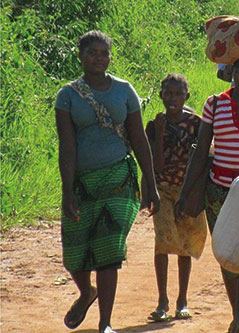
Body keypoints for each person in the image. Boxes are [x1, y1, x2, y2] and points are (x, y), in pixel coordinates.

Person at [55, 30, 160, 333]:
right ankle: (87, 291)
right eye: (92, 52)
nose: (99, 58)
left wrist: (150, 185)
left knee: (108, 251)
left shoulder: (124, 90)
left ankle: (105, 323)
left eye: (104, 53)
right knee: (74, 256)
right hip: (82, 182)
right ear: (81, 56)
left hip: (119, 178)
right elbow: (67, 147)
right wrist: (67, 191)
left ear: (110, 57)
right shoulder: (68, 95)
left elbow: (140, 140)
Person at [175, 56, 239, 333]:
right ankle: (238, 316)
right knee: (227, 253)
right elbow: (201, 151)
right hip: (217, 190)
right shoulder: (215, 104)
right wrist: (185, 192)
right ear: (232, 72)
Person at [142, 74, 207, 322]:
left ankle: (182, 300)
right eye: (167, 93)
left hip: (187, 192)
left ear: (186, 97)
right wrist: (158, 134)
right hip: (163, 190)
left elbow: (203, 161)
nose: (172, 98)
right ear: (160, 95)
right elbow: (156, 166)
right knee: (163, 242)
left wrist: (195, 194)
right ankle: (162, 301)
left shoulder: (197, 125)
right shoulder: (154, 126)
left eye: (178, 94)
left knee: (185, 246)